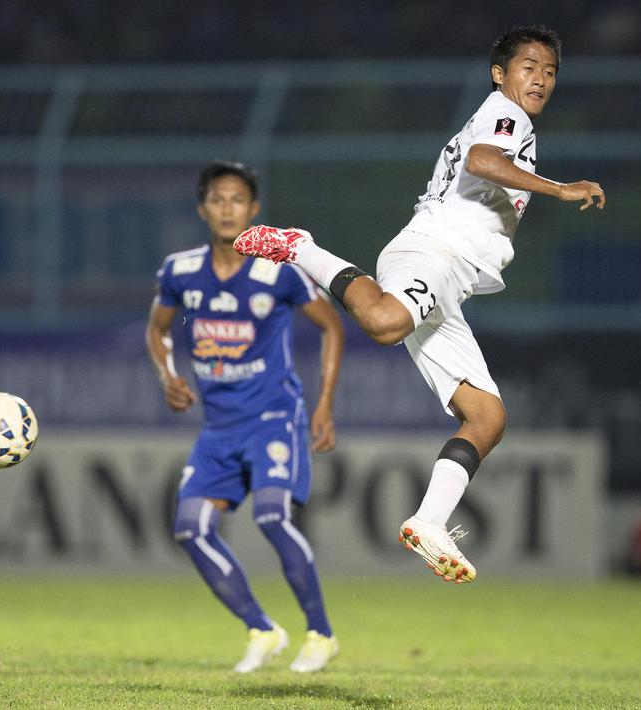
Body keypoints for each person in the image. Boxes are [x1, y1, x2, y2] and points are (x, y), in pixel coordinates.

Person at [232, 25, 604, 583]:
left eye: (550, 72)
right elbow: (481, 160)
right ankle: (300, 247)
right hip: (433, 255)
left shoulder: (506, 120)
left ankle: (429, 521)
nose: (540, 80)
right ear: (499, 74)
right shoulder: (508, 116)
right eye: (529, 67)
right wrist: (559, 188)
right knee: (385, 322)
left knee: (487, 417)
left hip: (450, 279)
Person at [147, 161, 345, 673]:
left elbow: (332, 326)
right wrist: (168, 374)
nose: (227, 208)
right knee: (190, 528)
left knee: (272, 516)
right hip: (218, 427)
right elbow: (158, 329)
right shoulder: (180, 271)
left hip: (273, 416)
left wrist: (324, 403)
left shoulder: (279, 271)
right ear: (202, 209)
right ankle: (262, 628)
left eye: (237, 199)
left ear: (253, 209)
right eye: (217, 199)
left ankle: (320, 635)